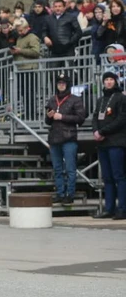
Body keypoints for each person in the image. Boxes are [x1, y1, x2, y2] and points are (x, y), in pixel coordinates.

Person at [45, 74, 86, 205]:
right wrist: (49, 116)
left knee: (70, 168)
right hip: (54, 138)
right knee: (57, 169)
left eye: (63, 83)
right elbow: (47, 122)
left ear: (67, 85)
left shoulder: (75, 99)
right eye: (59, 83)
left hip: (69, 138)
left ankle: (70, 194)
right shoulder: (52, 100)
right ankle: (60, 193)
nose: (61, 85)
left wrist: (62, 117)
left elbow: (80, 118)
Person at [92, 72, 126, 220]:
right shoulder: (101, 100)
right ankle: (109, 208)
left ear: (116, 82)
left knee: (119, 176)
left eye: (111, 79)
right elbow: (95, 117)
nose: (108, 82)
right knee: (107, 177)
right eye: (106, 79)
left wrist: (103, 131)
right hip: (103, 143)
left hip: (116, 142)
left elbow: (121, 119)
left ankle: (122, 208)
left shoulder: (121, 98)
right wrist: (95, 131)